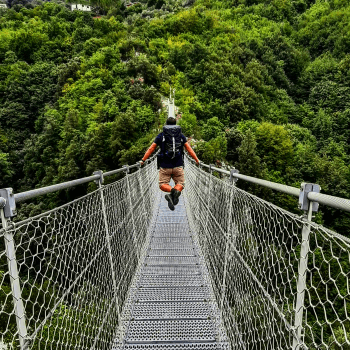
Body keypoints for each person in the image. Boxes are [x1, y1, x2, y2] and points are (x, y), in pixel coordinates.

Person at [141, 116, 199, 211]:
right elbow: (189, 149)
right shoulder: (180, 135)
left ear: (166, 124)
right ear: (175, 124)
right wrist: (197, 160)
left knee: (163, 184)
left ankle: (171, 191)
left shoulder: (161, 135)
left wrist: (143, 160)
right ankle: (175, 192)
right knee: (181, 183)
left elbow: (151, 148)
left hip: (165, 166)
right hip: (178, 165)